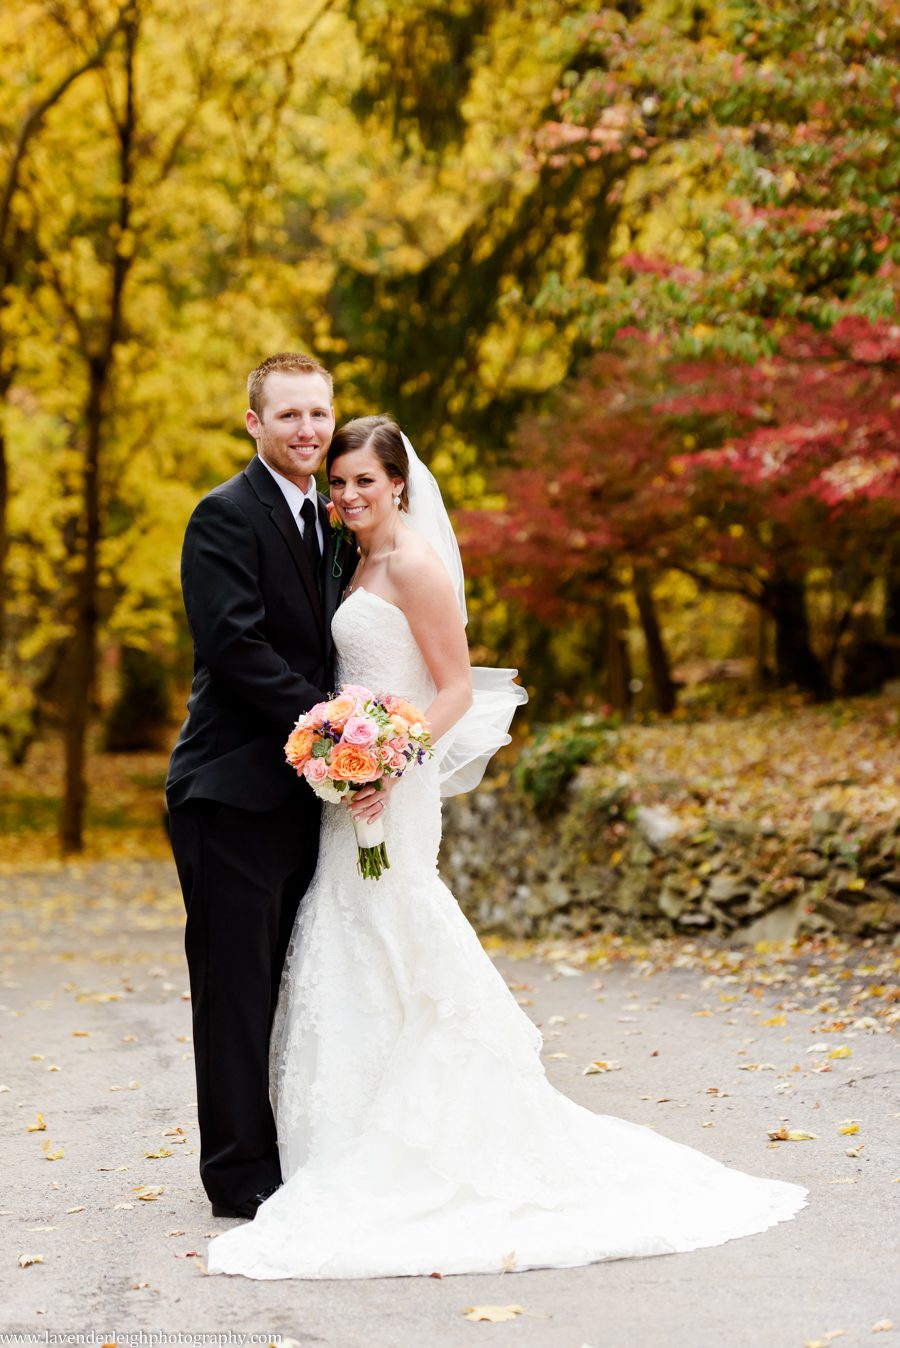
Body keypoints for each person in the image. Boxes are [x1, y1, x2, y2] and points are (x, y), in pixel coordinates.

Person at [206, 415, 807, 1279]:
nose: (347, 497)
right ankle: (342, 1137)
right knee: (348, 935)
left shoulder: (413, 562)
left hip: (394, 786)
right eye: (338, 485)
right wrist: (347, 753)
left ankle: (433, 1138)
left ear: (400, 484)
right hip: (352, 787)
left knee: (398, 926)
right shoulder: (354, 559)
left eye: (364, 483)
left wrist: (394, 757)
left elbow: (453, 687)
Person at [166, 352, 374, 1219]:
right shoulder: (222, 516)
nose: (308, 430)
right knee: (236, 992)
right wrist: (335, 730)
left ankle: (295, 1151)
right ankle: (240, 1178)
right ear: (254, 423)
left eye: (319, 414)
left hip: (304, 800)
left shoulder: (332, 524)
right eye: (288, 415)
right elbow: (238, 649)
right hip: (231, 793)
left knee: (301, 982)